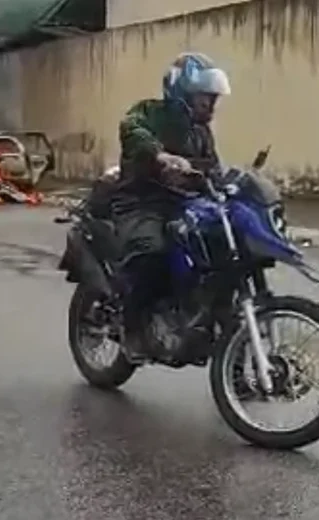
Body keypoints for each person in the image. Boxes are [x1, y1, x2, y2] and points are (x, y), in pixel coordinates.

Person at [111, 52, 231, 360]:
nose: (212, 105)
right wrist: (159, 155)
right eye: (206, 97)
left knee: (224, 254)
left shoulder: (201, 133)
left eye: (214, 98)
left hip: (185, 205)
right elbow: (131, 128)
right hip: (141, 202)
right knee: (152, 251)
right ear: (183, 94)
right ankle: (133, 328)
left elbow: (213, 170)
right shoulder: (150, 112)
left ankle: (233, 359)